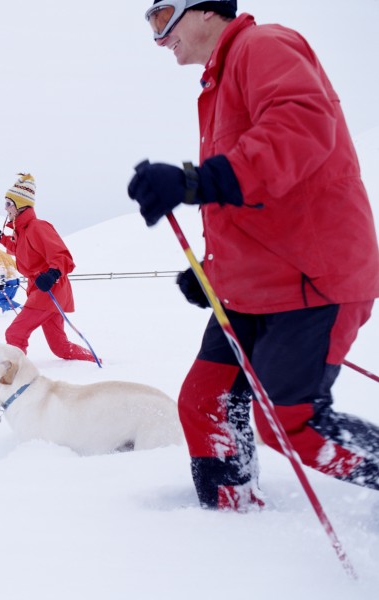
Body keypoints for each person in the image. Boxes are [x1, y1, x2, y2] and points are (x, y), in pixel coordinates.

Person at [127, 0, 379, 510]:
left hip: (311, 280)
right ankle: (231, 517)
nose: (159, 39)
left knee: (289, 420)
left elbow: (300, 133)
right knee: (205, 402)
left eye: (162, 18)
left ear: (204, 10)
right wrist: (211, 273)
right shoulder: (218, 86)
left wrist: (195, 182)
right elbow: (252, 202)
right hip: (250, 289)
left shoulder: (262, 47)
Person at [0, 173, 96, 363]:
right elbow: (18, 249)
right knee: (60, 347)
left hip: (50, 289)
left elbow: (62, 256)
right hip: (42, 290)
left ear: (20, 205)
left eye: (9, 203)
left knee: (15, 333)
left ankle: (16, 376)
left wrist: (52, 274)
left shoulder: (38, 227)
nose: (5, 208)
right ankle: (95, 360)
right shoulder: (23, 231)